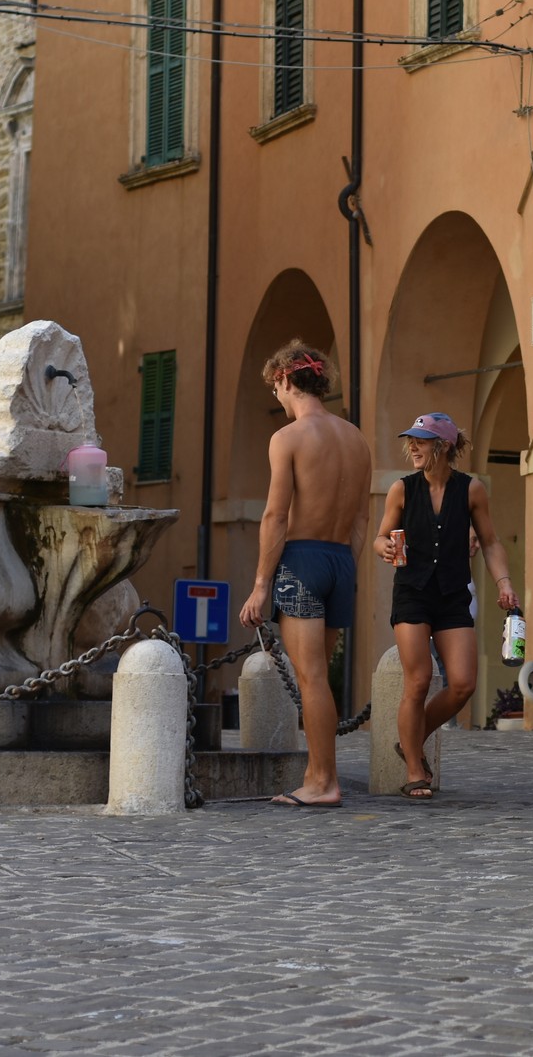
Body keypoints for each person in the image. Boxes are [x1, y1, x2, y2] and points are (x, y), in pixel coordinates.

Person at [238, 342, 373, 808]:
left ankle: (321, 782)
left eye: (274, 386)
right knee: (320, 678)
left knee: (310, 677)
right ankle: (320, 776)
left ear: (284, 380)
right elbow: (362, 520)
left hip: (301, 560)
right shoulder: (357, 440)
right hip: (340, 560)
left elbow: (276, 516)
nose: (275, 395)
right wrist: (346, 567)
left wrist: (260, 585)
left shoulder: (288, 437)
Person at [372, 412, 512, 799]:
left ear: (444, 446)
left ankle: (411, 740)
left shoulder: (471, 490)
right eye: (411, 441)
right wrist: (384, 547)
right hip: (412, 593)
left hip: (452, 594)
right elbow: (380, 536)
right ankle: (415, 770)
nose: (413, 447)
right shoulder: (402, 489)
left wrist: (504, 582)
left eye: (421, 441)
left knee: (463, 684)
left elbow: (490, 542)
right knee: (418, 681)